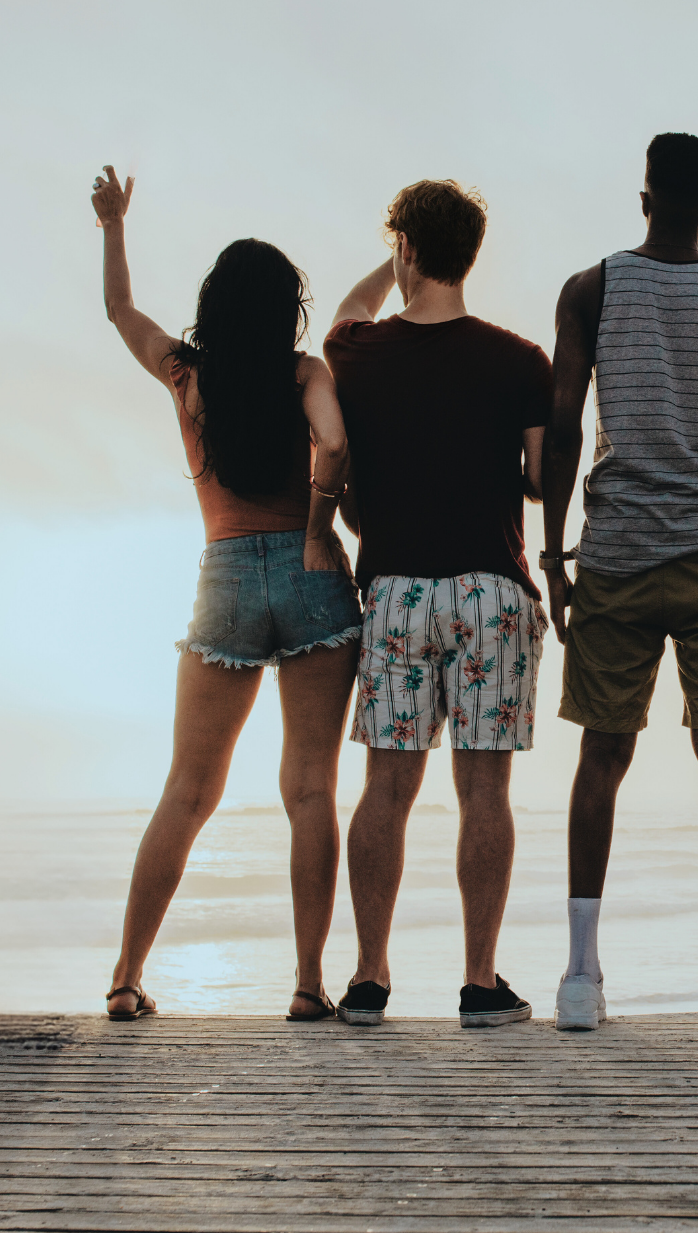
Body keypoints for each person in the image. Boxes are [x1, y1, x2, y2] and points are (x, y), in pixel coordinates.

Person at [90, 166, 362, 1023]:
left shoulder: (185, 374)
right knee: (310, 788)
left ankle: (128, 976)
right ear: (288, 310)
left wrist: (113, 226)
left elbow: (119, 314)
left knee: (188, 790)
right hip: (315, 578)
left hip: (227, 575)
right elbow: (335, 440)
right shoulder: (302, 371)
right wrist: (319, 526)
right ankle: (309, 984)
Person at [540, 133, 698, 1033]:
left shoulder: (590, 289)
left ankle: (579, 979)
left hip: (614, 551)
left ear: (643, 196)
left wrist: (551, 552)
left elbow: (564, 428)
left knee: (601, 757)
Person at [321, 179, 552, 1030]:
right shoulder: (522, 360)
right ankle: (480, 982)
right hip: (490, 589)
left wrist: (391, 269)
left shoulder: (358, 351)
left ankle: (370, 978)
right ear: (473, 254)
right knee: (484, 792)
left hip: (394, 590)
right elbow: (539, 479)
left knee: (386, 789)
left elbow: (345, 310)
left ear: (406, 248)